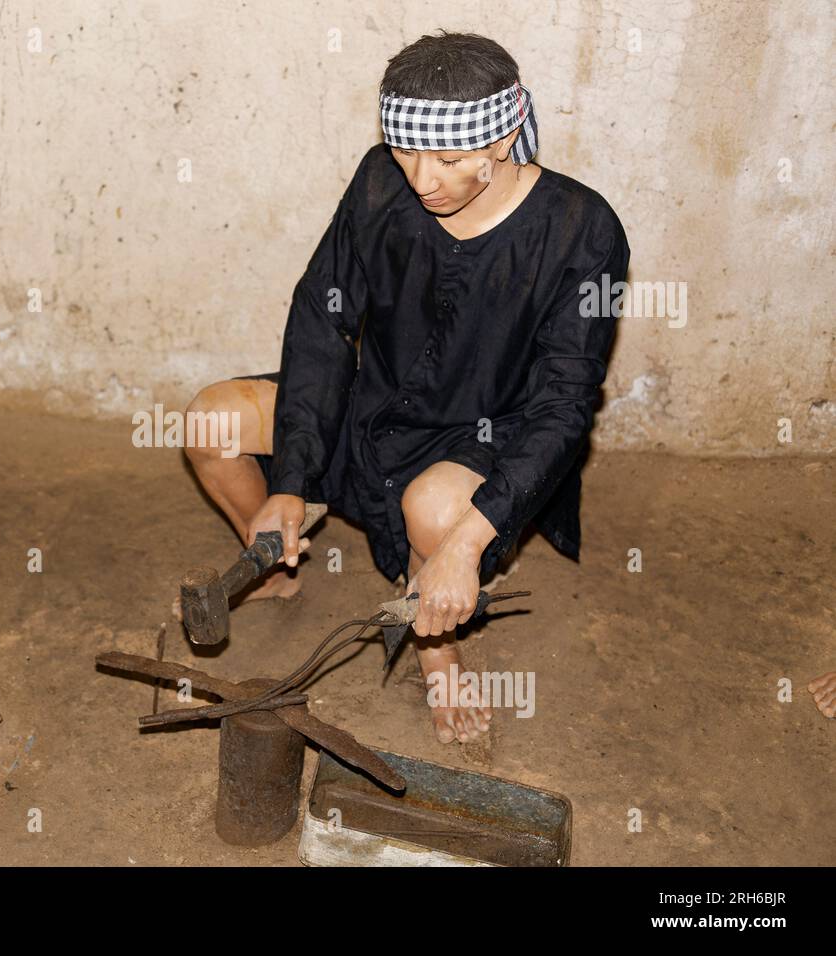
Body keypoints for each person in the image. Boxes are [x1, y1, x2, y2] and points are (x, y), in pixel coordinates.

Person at [180, 31, 630, 745]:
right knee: (211, 421)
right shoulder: (379, 182)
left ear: (507, 134)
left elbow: (566, 402)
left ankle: (437, 651)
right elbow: (322, 320)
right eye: (405, 152)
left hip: (488, 431)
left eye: (450, 159)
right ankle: (275, 567)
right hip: (376, 406)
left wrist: (469, 542)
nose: (423, 180)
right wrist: (291, 479)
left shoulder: (582, 229)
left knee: (436, 510)